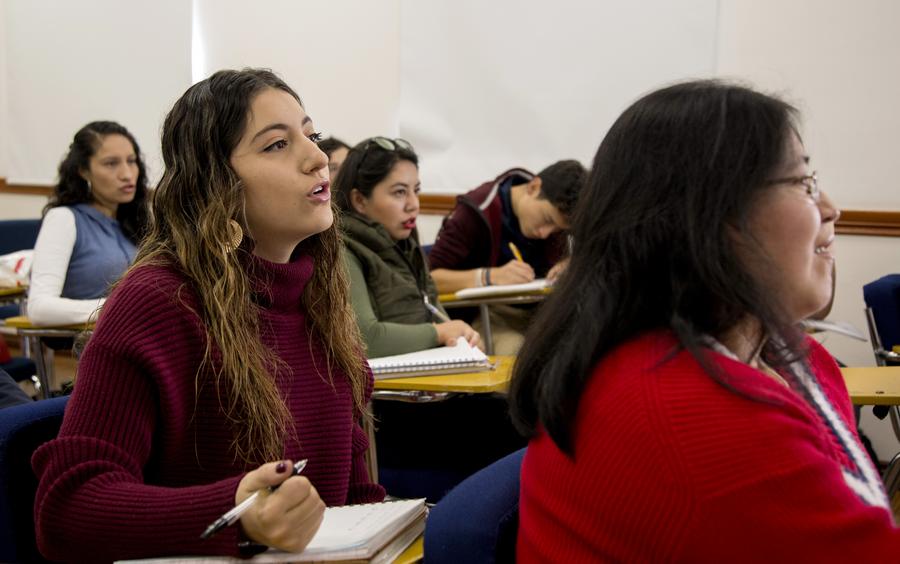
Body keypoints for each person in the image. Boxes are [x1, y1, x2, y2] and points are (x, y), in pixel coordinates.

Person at [509, 80, 900, 561]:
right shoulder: (700, 420)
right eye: (803, 183)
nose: (830, 208)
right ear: (711, 217)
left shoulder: (796, 357)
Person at [32, 69, 384, 561]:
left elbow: (354, 500)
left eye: (312, 134)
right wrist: (237, 515)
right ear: (216, 183)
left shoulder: (319, 300)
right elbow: (68, 509)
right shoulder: (157, 303)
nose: (318, 157)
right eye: (277, 145)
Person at [333, 136, 479, 358]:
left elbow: (440, 317)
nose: (414, 205)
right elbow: (365, 339)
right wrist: (439, 333)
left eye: (416, 191)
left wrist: (463, 337)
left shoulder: (406, 246)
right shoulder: (343, 250)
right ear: (360, 201)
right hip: (388, 380)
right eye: (399, 192)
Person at [428, 159, 586, 354]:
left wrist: (570, 263)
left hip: (542, 312)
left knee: (580, 347)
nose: (545, 234)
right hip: (485, 315)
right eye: (547, 220)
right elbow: (429, 279)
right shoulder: (475, 211)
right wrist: (488, 276)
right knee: (518, 352)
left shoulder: (559, 216)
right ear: (533, 187)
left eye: (557, 230)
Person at [28, 121, 150, 327]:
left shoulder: (138, 219)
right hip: (92, 340)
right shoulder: (64, 219)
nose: (127, 174)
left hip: (140, 333)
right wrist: (119, 307)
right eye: (111, 163)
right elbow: (39, 309)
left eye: (131, 161)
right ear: (83, 170)